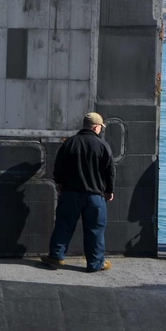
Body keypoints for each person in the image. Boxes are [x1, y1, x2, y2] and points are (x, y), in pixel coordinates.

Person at [41, 112, 116, 273]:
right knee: (95, 230)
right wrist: (109, 190)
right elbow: (110, 171)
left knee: (63, 226)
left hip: (70, 194)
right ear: (96, 127)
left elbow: (58, 166)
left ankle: (56, 256)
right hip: (95, 196)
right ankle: (95, 263)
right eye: (100, 127)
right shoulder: (102, 145)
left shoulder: (69, 143)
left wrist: (59, 183)